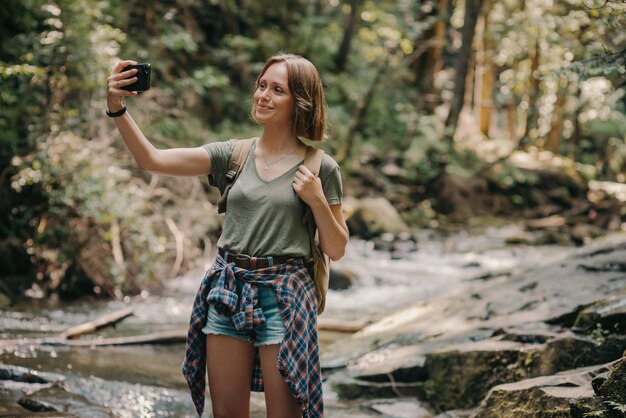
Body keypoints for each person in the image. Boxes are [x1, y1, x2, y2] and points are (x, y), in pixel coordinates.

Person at [106, 53, 349, 417]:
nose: (263, 95)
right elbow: (152, 160)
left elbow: (336, 247)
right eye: (261, 85)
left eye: (277, 89)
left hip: (285, 296)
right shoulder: (233, 154)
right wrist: (117, 108)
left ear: (300, 101)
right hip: (228, 289)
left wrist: (315, 200)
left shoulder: (321, 167)